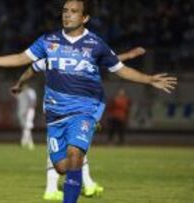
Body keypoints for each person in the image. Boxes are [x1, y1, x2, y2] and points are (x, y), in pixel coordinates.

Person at [0, 0, 177, 202]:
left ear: (85, 18)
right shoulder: (48, 40)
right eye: (65, 11)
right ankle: (75, 183)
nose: (68, 15)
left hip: (85, 109)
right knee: (62, 166)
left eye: (74, 12)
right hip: (55, 114)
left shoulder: (95, 43)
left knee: (75, 155)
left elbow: (120, 69)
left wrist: (148, 79)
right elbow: (21, 59)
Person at [11, 46, 147, 201]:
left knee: (75, 149)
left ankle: (77, 185)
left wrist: (128, 54)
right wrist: (19, 85)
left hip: (74, 111)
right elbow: (31, 69)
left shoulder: (70, 58)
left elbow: (106, 61)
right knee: (67, 153)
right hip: (58, 111)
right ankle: (70, 186)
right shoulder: (52, 58)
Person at [12, 84, 37, 150]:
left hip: (29, 110)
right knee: (25, 127)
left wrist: (28, 110)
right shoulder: (21, 93)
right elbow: (14, 94)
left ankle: (24, 142)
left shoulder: (30, 91)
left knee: (27, 126)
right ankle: (29, 143)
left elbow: (33, 101)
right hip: (21, 111)